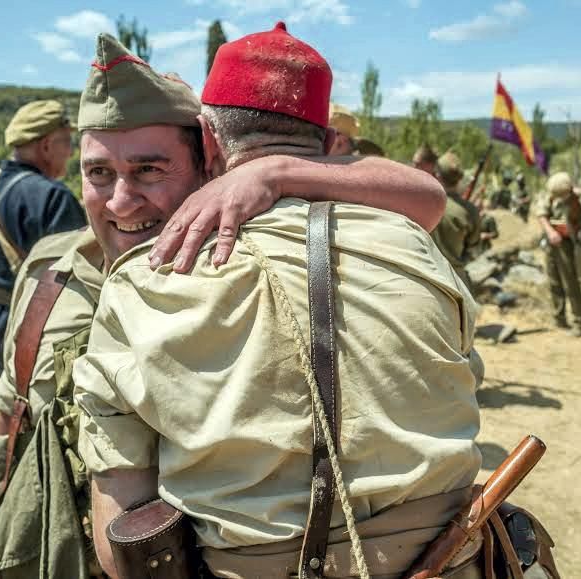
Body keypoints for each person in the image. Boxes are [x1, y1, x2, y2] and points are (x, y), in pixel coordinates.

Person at [0, 33, 450, 579]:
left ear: (208, 160)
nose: (119, 201)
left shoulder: (249, 263)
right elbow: (11, 422)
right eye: (97, 174)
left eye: (149, 170)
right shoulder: (49, 277)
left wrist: (270, 172)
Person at [74, 23, 485, 579]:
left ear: (209, 142)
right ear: (329, 142)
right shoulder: (413, 241)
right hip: (449, 557)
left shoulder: (143, 282)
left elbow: (120, 531)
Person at [0, 99, 85, 374]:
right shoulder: (54, 196)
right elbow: (79, 284)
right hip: (41, 325)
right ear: (46, 145)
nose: (70, 151)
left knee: (13, 408)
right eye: (66, 141)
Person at [536, 171, 581, 336]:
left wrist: (570, 228)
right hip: (552, 242)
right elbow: (541, 213)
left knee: (571, 283)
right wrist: (550, 231)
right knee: (554, 281)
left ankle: (579, 322)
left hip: (569, 245)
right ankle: (559, 318)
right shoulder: (551, 193)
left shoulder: (579, 200)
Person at [429, 151, 481, 286]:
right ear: (459, 178)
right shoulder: (469, 211)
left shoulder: (423, 201)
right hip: (454, 279)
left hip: (425, 271)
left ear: (438, 175)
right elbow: (473, 244)